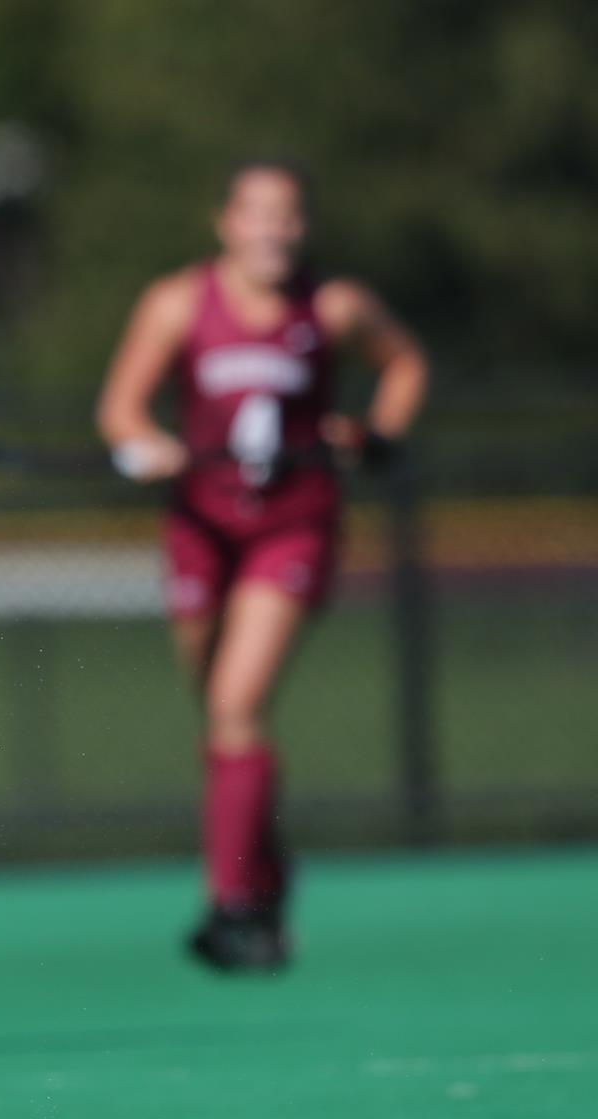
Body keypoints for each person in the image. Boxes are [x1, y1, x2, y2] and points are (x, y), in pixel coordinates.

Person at [95, 160, 429, 970]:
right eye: (258, 214)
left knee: (237, 704)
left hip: (294, 526)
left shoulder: (335, 305)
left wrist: (377, 434)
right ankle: (269, 878)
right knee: (218, 711)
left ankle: (232, 903)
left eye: (288, 216)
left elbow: (405, 365)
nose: (273, 230)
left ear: (303, 227)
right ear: (226, 222)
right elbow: (122, 410)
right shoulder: (176, 302)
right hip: (200, 527)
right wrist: (148, 448)